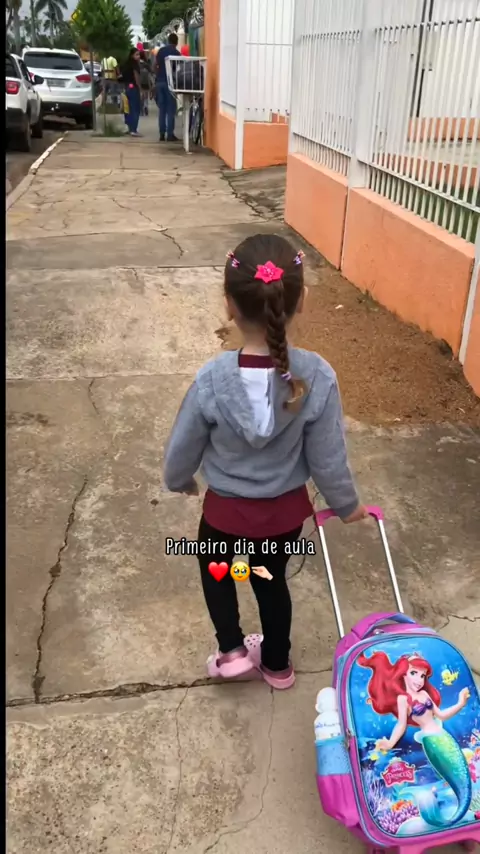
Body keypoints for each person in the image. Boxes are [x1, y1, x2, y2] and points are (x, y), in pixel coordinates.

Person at [164, 234, 367, 691]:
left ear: (229, 305)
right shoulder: (317, 375)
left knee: (217, 571)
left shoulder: (212, 379)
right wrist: (347, 504)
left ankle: (232, 652)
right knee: (270, 580)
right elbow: (328, 456)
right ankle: (277, 666)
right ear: (302, 300)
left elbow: (184, 444)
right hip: (282, 514)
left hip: (224, 512)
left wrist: (180, 480)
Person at [155, 32, 180, 142]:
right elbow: (178, 70)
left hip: (159, 82)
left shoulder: (160, 51)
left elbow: (155, 66)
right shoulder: (176, 53)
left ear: (168, 41)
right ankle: (170, 134)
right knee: (171, 109)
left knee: (162, 109)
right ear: (176, 42)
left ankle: (161, 133)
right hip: (170, 84)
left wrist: (157, 77)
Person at [121, 48, 142, 137]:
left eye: (139, 54)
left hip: (127, 87)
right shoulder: (134, 65)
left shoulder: (126, 65)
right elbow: (136, 77)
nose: (138, 56)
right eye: (136, 54)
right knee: (135, 109)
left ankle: (130, 129)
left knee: (128, 109)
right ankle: (133, 130)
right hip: (133, 88)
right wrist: (140, 89)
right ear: (132, 55)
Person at [139, 51, 152, 116]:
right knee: (146, 94)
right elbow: (151, 71)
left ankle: (141, 108)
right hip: (146, 81)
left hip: (139, 81)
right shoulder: (146, 64)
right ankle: (145, 106)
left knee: (141, 94)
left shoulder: (137, 63)